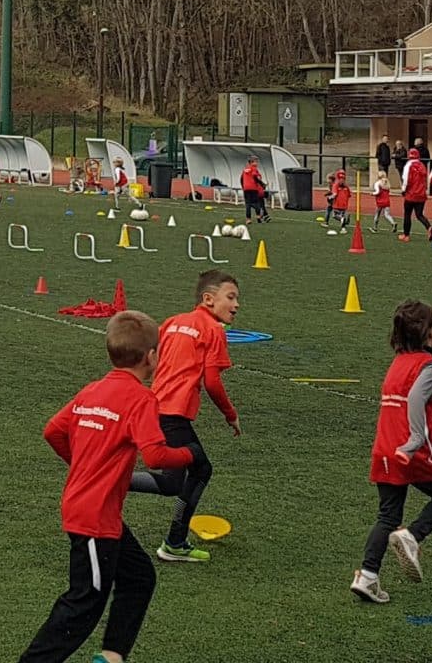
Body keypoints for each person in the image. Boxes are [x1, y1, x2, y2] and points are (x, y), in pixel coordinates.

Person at [17, 310, 193, 663]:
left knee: (139, 577)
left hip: (91, 508)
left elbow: (53, 431)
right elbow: (156, 456)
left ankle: (111, 657)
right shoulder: (141, 399)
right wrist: (188, 455)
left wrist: (86, 465)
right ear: (153, 357)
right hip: (95, 516)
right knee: (85, 602)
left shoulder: (93, 390)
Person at [349, 299, 432, 606]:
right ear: (428, 334)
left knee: (387, 515)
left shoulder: (397, 363)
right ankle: (412, 536)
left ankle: (368, 577)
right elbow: (414, 403)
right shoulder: (431, 366)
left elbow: (403, 408)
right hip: (409, 451)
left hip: (384, 448)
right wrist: (416, 444)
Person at [131, 271, 241, 566]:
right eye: (230, 297)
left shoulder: (173, 321)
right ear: (208, 299)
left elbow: (152, 360)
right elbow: (213, 382)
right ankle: (174, 541)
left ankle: (175, 540)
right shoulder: (213, 330)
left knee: (178, 479)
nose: (236, 305)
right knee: (195, 472)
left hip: (157, 407)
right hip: (173, 414)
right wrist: (231, 415)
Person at [398, 148, 429, 242]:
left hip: (411, 194)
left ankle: (406, 235)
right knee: (419, 214)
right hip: (421, 194)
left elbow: (406, 179)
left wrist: (403, 189)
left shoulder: (409, 165)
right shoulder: (422, 165)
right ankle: (429, 227)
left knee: (407, 214)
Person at [241, 158, 270, 224]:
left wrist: (244, 187)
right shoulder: (253, 168)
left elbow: (241, 179)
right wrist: (262, 184)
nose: (256, 163)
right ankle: (258, 217)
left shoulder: (244, 170)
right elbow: (255, 177)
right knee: (256, 203)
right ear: (251, 163)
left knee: (248, 204)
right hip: (253, 188)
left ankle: (248, 219)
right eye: (255, 162)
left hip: (246, 189)